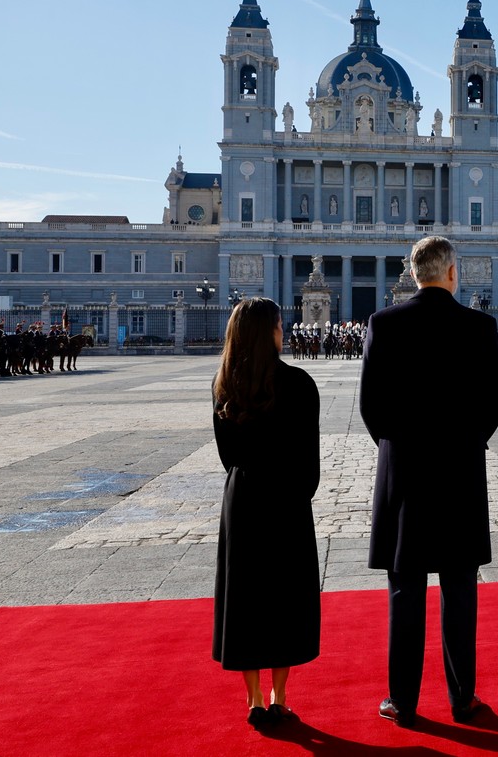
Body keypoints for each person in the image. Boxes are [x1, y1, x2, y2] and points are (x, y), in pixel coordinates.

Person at [360, 236, 498, 727]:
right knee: (460, 589)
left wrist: (398, 446)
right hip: (460, 474)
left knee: (406, 590)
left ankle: (402, 700)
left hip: (403, 477)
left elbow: (370, 408)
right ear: (450, 273)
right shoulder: (480, 327)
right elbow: (493, 407)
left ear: (415, 273)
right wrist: (463, 444)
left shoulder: (383, 324)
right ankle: (463, 698)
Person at [211, 297, 321, 730]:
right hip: (287, 498)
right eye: (280, 324)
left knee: (247, 595)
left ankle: (253, 698)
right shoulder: (299, 383)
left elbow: (227, 456)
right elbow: (309, 458)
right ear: (272, 331)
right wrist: (299, 494)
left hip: (244, 498)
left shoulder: (223, 385)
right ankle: (280, 695)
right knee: (284, 596)